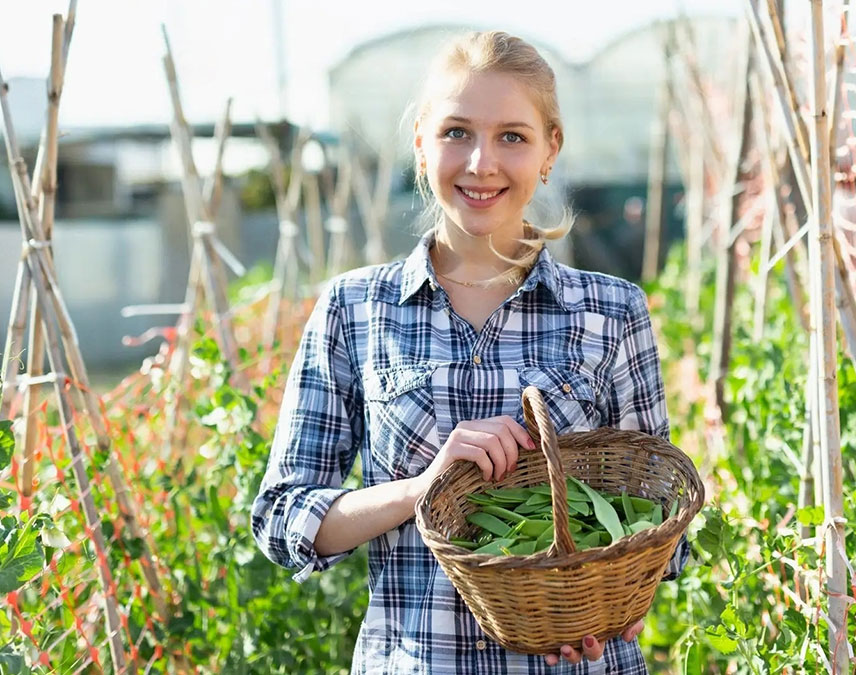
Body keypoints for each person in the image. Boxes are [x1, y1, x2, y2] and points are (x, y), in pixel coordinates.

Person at [252, 30, 688, 674]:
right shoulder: (355, 308)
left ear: (549, 151)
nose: (481, 162)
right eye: (457, 131)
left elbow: (661, 531)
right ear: (422, 143)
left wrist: (602, 616)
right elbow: (283, 518)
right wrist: (423, 490)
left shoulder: (611, 311)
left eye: (512, 135)